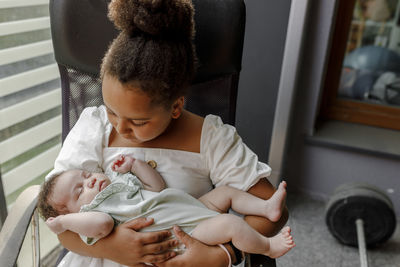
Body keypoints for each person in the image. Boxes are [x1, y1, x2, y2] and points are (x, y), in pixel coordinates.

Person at [46, 0, 290, 266]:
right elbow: (61, 220)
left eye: (138, 122)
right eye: (111, 110)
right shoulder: (95, 126)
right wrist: (114, 248)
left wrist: (223, 255)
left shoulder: (211, 139)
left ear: (175, 106)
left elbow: (271, 209)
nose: (120, 127)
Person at [39, 155, 294, 264]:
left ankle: (266, 207)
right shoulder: (92, 216)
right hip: (186, 229)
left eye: (85, 175)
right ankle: (268, 247)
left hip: (187, 205)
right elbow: (103, 226)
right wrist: (65, 224)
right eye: (80, 190)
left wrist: (135, 165)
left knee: (226, 192)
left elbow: (156, 185)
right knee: (232, 225)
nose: (90, 181)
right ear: (73, 214)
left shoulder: (117, 180)